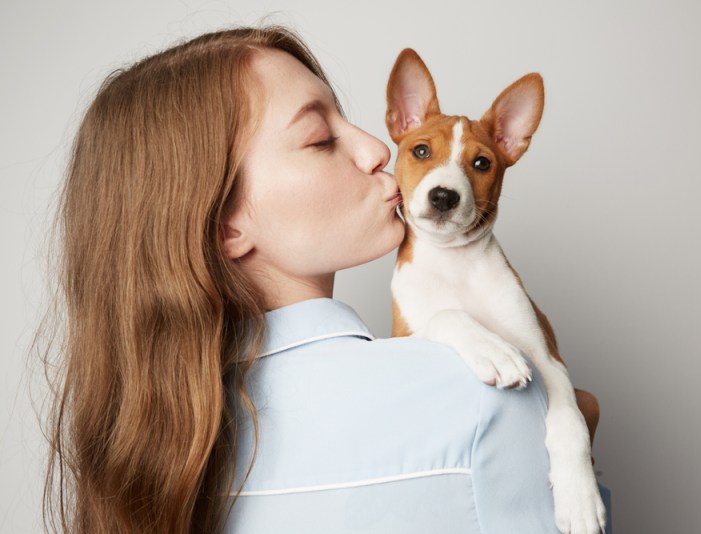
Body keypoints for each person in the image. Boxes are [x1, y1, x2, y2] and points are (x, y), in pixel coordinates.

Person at [42, 25, 609, 534]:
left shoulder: (157, 453)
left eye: (347, 120)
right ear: (226, 225)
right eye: (321, 138)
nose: (376, 149)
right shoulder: (479, 397)